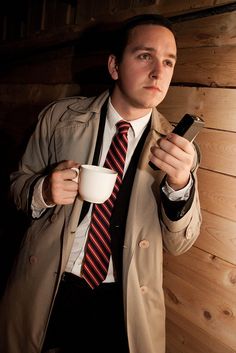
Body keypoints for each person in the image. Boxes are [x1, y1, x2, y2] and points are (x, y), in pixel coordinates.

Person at [0, 14, 202, 353]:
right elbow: (16, 187)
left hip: (122, 302)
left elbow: (180, 244)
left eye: (168, 62)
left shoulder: (179, 150)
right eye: (144, 56)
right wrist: (42, 191)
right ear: (114, 66)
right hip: (50, 285)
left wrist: (180, 184)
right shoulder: (58, 118)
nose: (158, 72)